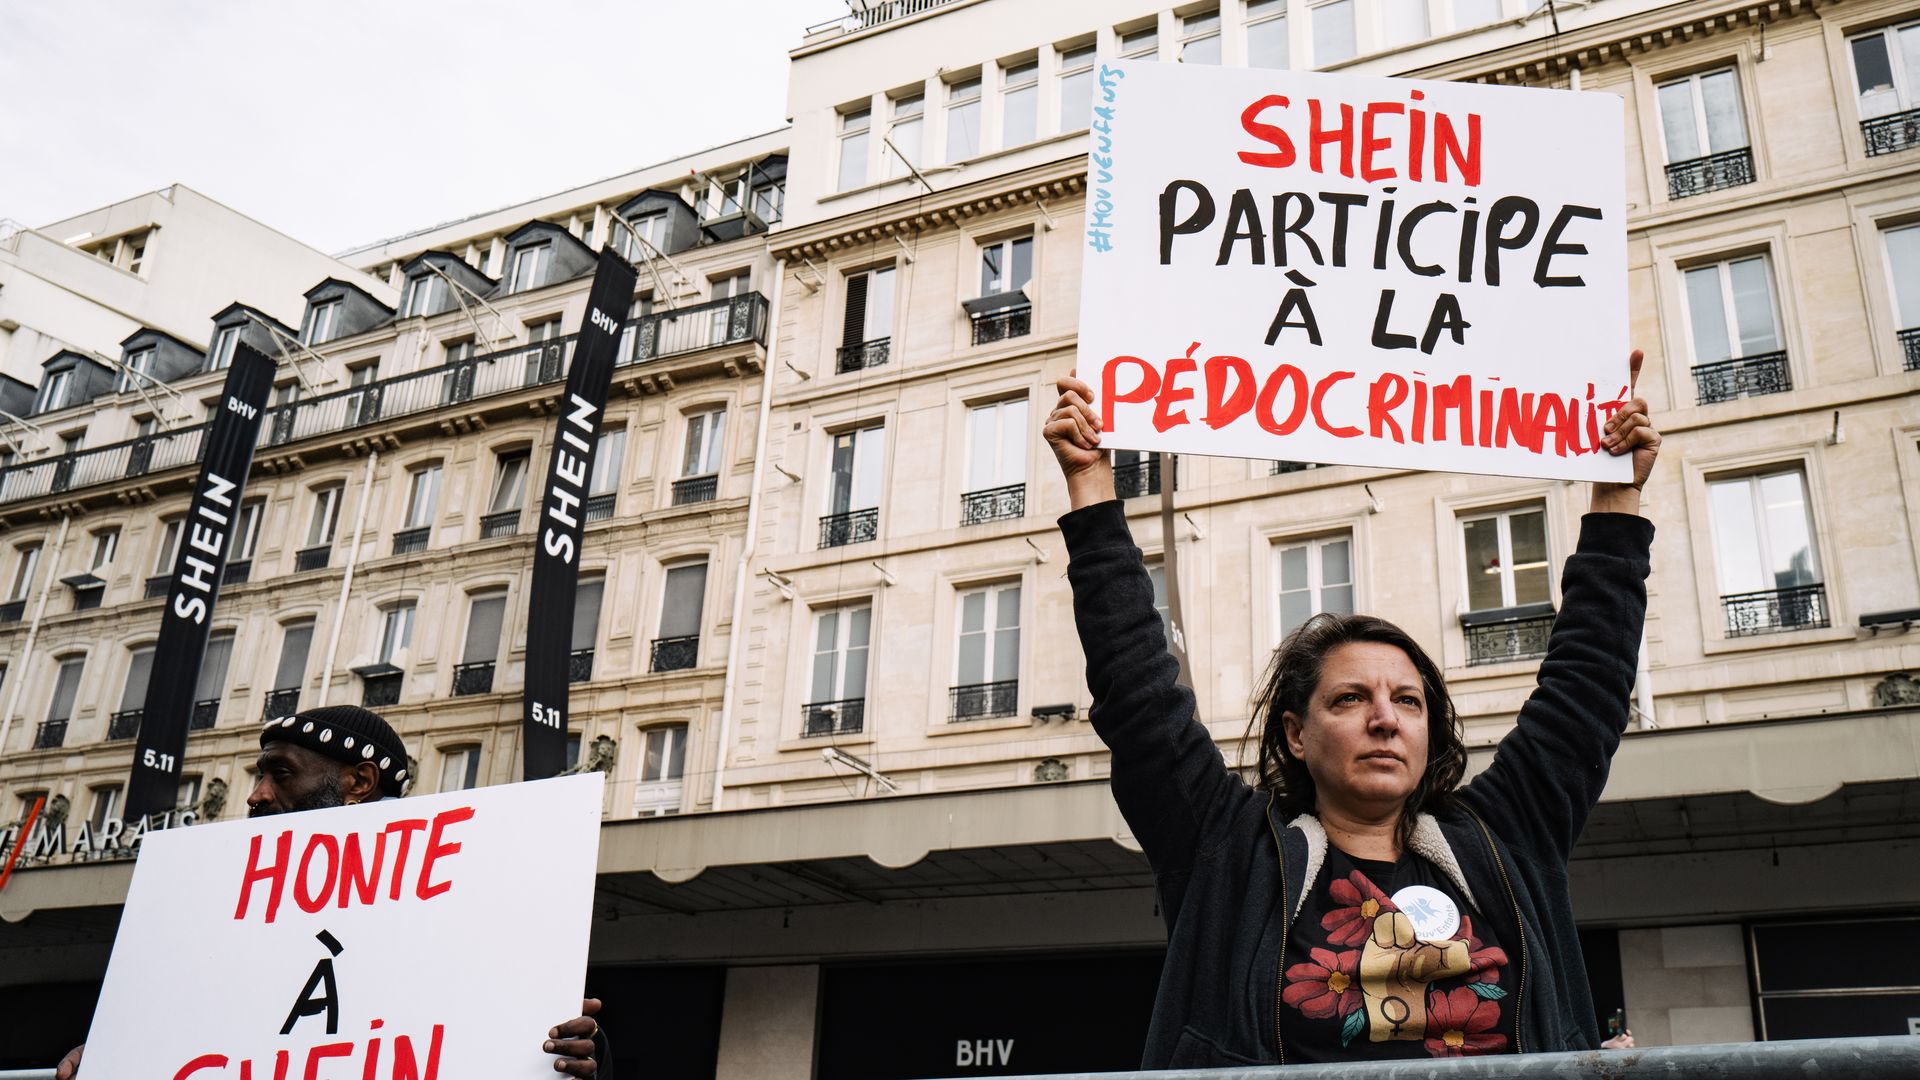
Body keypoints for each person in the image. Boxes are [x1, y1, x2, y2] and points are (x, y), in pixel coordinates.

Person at [1043, 353, 1659, 1068]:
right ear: (1296, 735)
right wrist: (1090, 483)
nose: (1385, 718)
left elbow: (1586, 690)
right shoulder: (1228, 851)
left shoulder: (1505, 838)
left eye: (1407, 700)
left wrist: (1615, 497)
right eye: (1349, 698)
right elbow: (1139, 696)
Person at [56, 705, 609, 1078]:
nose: (256, 795)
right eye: (258, 776)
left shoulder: (463, 908)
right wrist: (108, 1055)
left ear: (359, 784)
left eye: (280, 774)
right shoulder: (215, 915)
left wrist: (580, 1052)